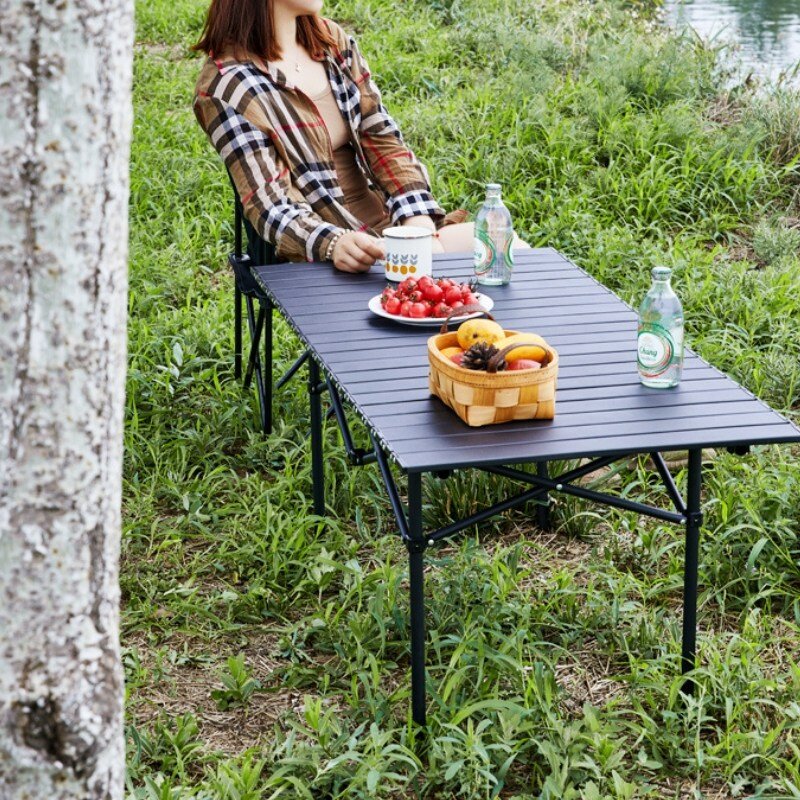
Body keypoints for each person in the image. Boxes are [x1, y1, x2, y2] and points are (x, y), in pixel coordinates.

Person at [192, 0, 481, 273]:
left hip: (391, 229)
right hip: (333, 257)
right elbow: (271, 205)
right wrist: (333, 244)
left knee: (503, 249)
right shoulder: (227, 86)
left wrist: (418, 226)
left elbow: (383, 138)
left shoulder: (329, 40)